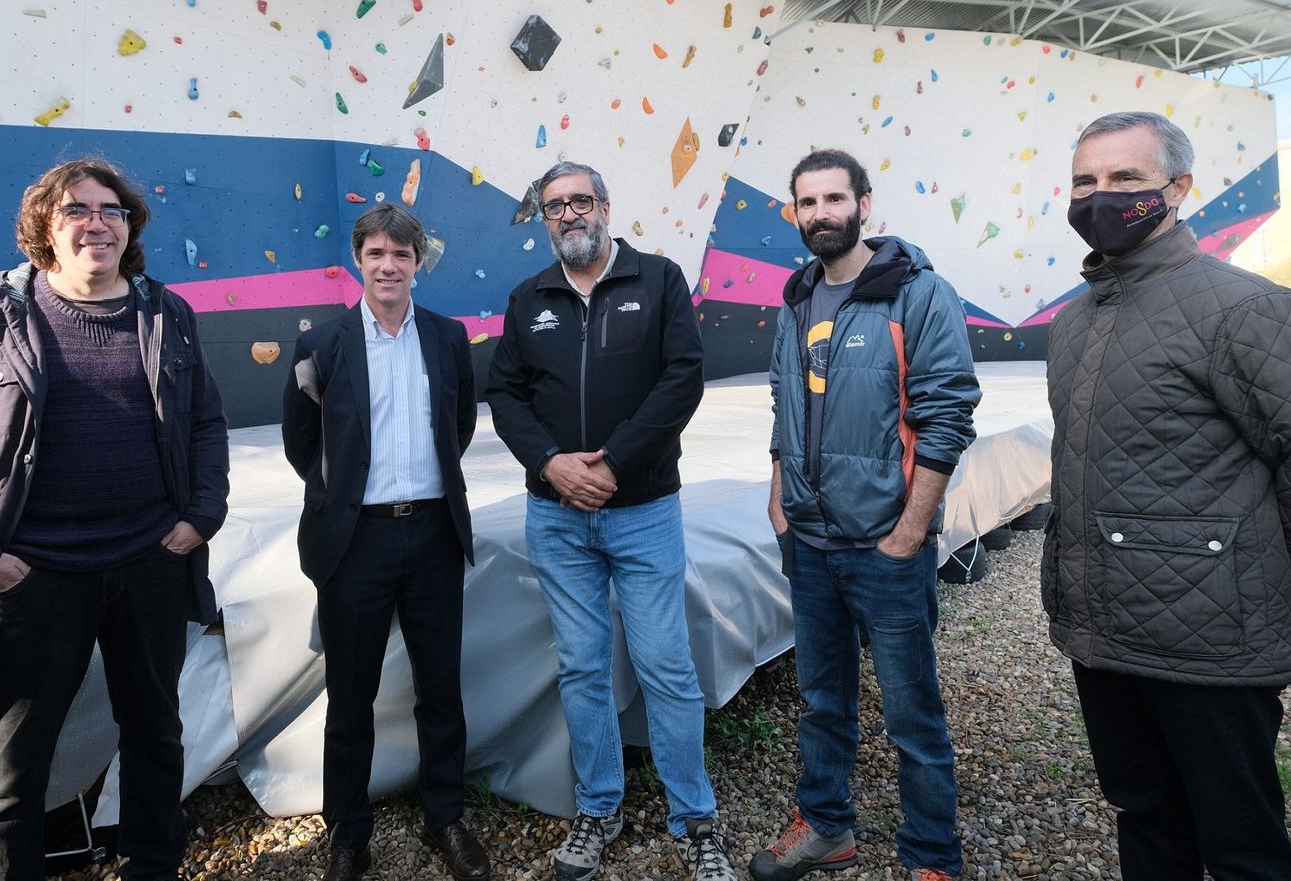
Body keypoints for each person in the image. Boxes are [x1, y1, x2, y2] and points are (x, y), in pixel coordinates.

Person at [1044, 110, 1291, 880]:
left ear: (1178, 189)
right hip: (1105, 639)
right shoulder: (1075, 320)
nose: (1100, 196)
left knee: (1243, 845)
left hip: (1210, 650)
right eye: (1085, 180)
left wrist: (1255, 582)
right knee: (1147, 817)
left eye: (1125, 179)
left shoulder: (1246, 308)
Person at [0, 159, 229, 880]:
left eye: (112, 210)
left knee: (155, 737)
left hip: (149, 563)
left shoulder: (166, 315)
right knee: (13, 762)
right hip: (33, 575)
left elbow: (206, 423)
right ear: (44, 228)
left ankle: (152, 867)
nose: (96, 222)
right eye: (75, 209)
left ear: (129, 226)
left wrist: (201, 516)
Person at [485, 162, 733, 881]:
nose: (568, 215)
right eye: (555, 206)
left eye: (580, 201)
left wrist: (614, 462)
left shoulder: (658, 280)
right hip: (556, 517)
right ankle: (599, 807)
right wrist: (551, 465)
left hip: (643, 510)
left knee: (666, 666)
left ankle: (694, 819)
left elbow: (682, 376)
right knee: (582, 667)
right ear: (545, 219)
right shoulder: (527, 297)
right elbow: (505, 393)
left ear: (606, 206)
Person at [756, 149, 978, 881]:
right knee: (823, 699)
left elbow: (947, 416)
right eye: (806, 201)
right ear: (794, 212)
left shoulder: (918, 293)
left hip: (885, 544)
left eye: (832, 198)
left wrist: (909, 532)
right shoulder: (794, 298)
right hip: (810, 542)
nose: (819, 212)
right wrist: (778, 495)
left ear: (863, 204)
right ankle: (826, 826)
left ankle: (931, 855)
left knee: (912, 714)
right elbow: (784, 404)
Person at [282, 204, 491, 881]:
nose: (388, 265)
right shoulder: (321, 344)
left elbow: (455, 428)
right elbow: (302, 443)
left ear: (417, 261)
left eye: (401, 254)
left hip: (432, 532)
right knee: (350, 696)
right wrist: (346, 499)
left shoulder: (448, 338)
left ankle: (445, 817)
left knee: (441, 687)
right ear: (358, 260)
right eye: (375, 253)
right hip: (356, 540)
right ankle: (348, 832)